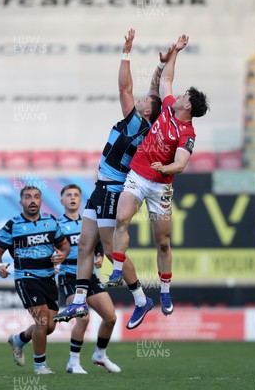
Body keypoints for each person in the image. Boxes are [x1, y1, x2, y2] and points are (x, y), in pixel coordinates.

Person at [53, 29, 172, 323]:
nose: (142, 98)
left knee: (109, 250)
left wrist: (126, 52)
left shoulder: (136, 123)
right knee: (84, 244)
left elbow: (124, 89)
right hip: (100, 188)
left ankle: (141, 300)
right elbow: (154, 93)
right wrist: (160, 66)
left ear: (146, 112)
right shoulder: (143, 122)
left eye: (146, 100)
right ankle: (79, 301)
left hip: (113, 190)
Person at [108, 34, 209, 329]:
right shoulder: (166, 107)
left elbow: (180, 164)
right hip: (138, 176)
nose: (177, 96)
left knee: (162, 242)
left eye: (183, 97)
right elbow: (166, 79)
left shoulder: (187, 134)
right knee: (122, 218)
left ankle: (165, 292)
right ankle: (116, 269)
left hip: (160, 186)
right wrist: (175, 51)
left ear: (187, 107)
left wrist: (163, 166)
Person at [0, 185, 71, 375]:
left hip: (49, 277)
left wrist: (62, 255)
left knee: (49, 326)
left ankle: (19, 340)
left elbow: (64, 245)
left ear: (41, 201)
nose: (32, 200)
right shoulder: (13, 225)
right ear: (21, 202)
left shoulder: (50, 222)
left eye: (36, 197)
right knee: (42, 321)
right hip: (26, 278)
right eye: (27, 197)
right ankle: (40, 366)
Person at [55, 184, 120, 374]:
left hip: (90, 277)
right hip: (69, 277)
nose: (73, 198)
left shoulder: (88, 221)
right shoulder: (57, 225)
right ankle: (73, 362)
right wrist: (53, 260)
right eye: (69, 195)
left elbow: (97, 242)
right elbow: (51, 247)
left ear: (80, 199)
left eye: (76, 195)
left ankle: (100, 354)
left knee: (110, 317)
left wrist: (99, 255)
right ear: (62, 201)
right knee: (83, 317)